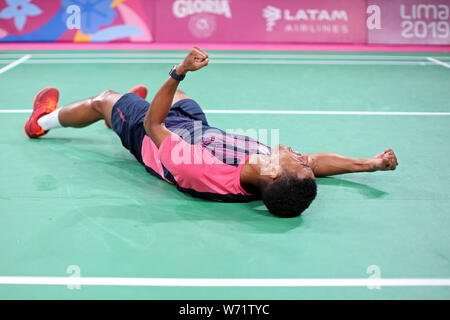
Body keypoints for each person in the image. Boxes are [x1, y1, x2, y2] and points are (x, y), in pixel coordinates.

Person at [24, 47, 398, 218]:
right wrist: (370, 164)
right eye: (302, 163)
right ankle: (129, 108)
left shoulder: (199, 169)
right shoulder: (270, 173)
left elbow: (155, 125)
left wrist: (177, 71)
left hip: (155, 137)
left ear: (271, 173)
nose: (302, 158)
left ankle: (43, 122)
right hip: (199, 129)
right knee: (175, 99)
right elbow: (314, 164)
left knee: (106, 98)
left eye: (296, 162)